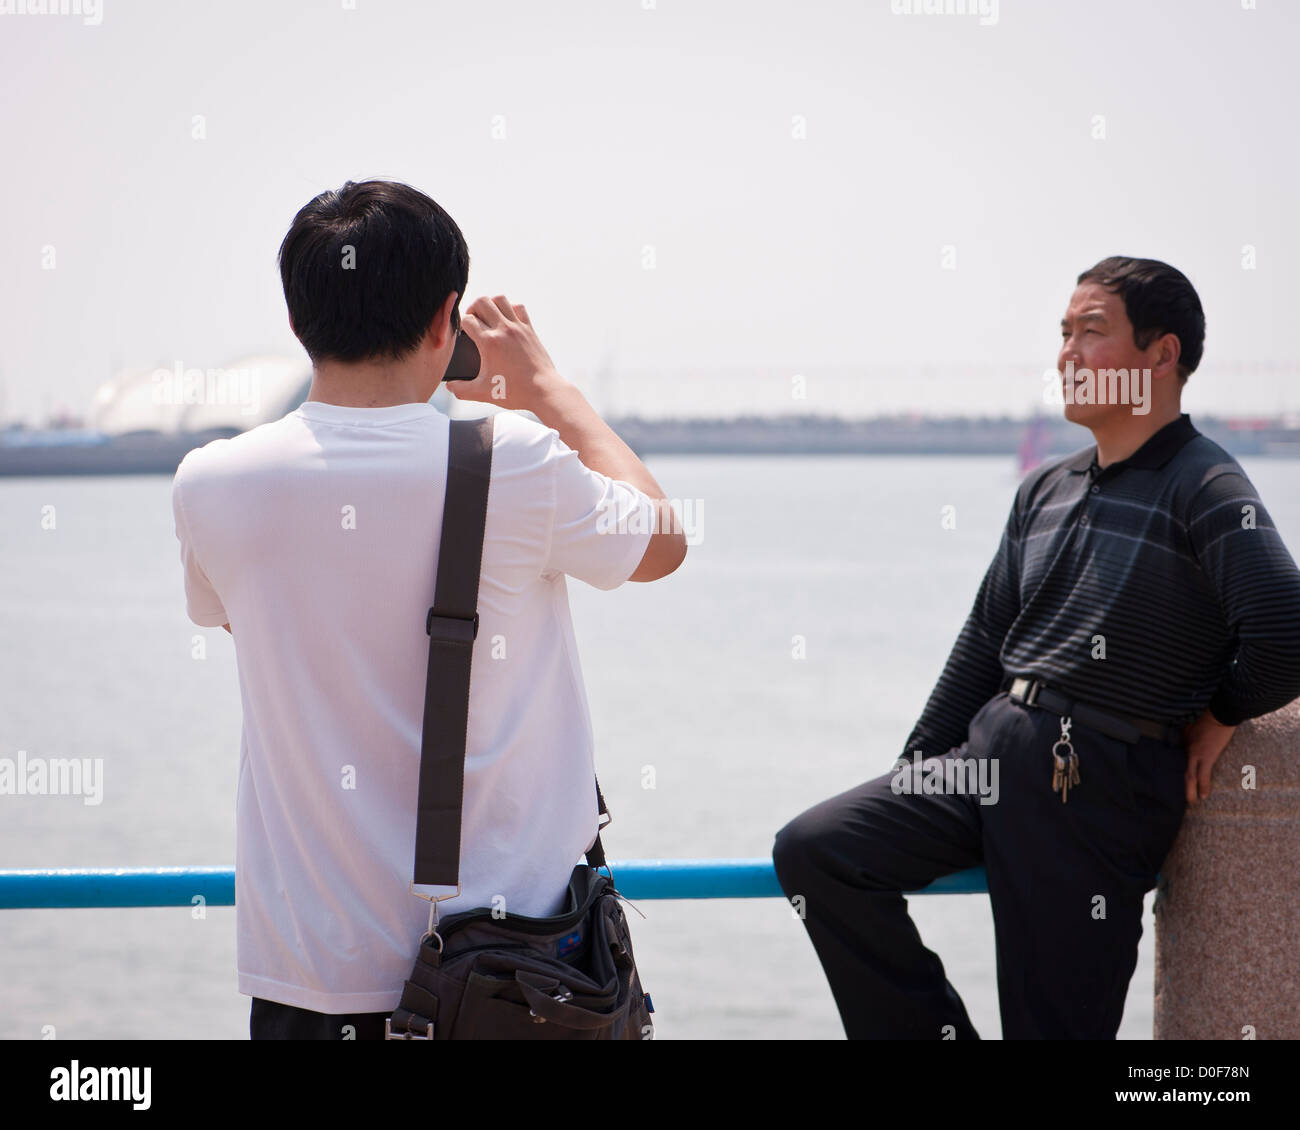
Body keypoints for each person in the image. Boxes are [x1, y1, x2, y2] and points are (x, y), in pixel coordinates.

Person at [171, 179, 686, 1040]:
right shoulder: (512, 460)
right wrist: (549, 388)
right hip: (510, 983)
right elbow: (662, 544)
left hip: (305, 989)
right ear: (447, 319)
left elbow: (241, 619)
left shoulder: (212, 483)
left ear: (298, 322)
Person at [772, 256, 1300, 1039]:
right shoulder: (1045, 487)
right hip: (991, 754)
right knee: (819, 852)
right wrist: (918, 764)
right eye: (1063, 334)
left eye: (1092, 332)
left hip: (1095, 787)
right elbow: (984, 640)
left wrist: (1222, 711)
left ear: (1162, 356)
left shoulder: (1207, 484)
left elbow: (1285, 629)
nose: (1068, 354)